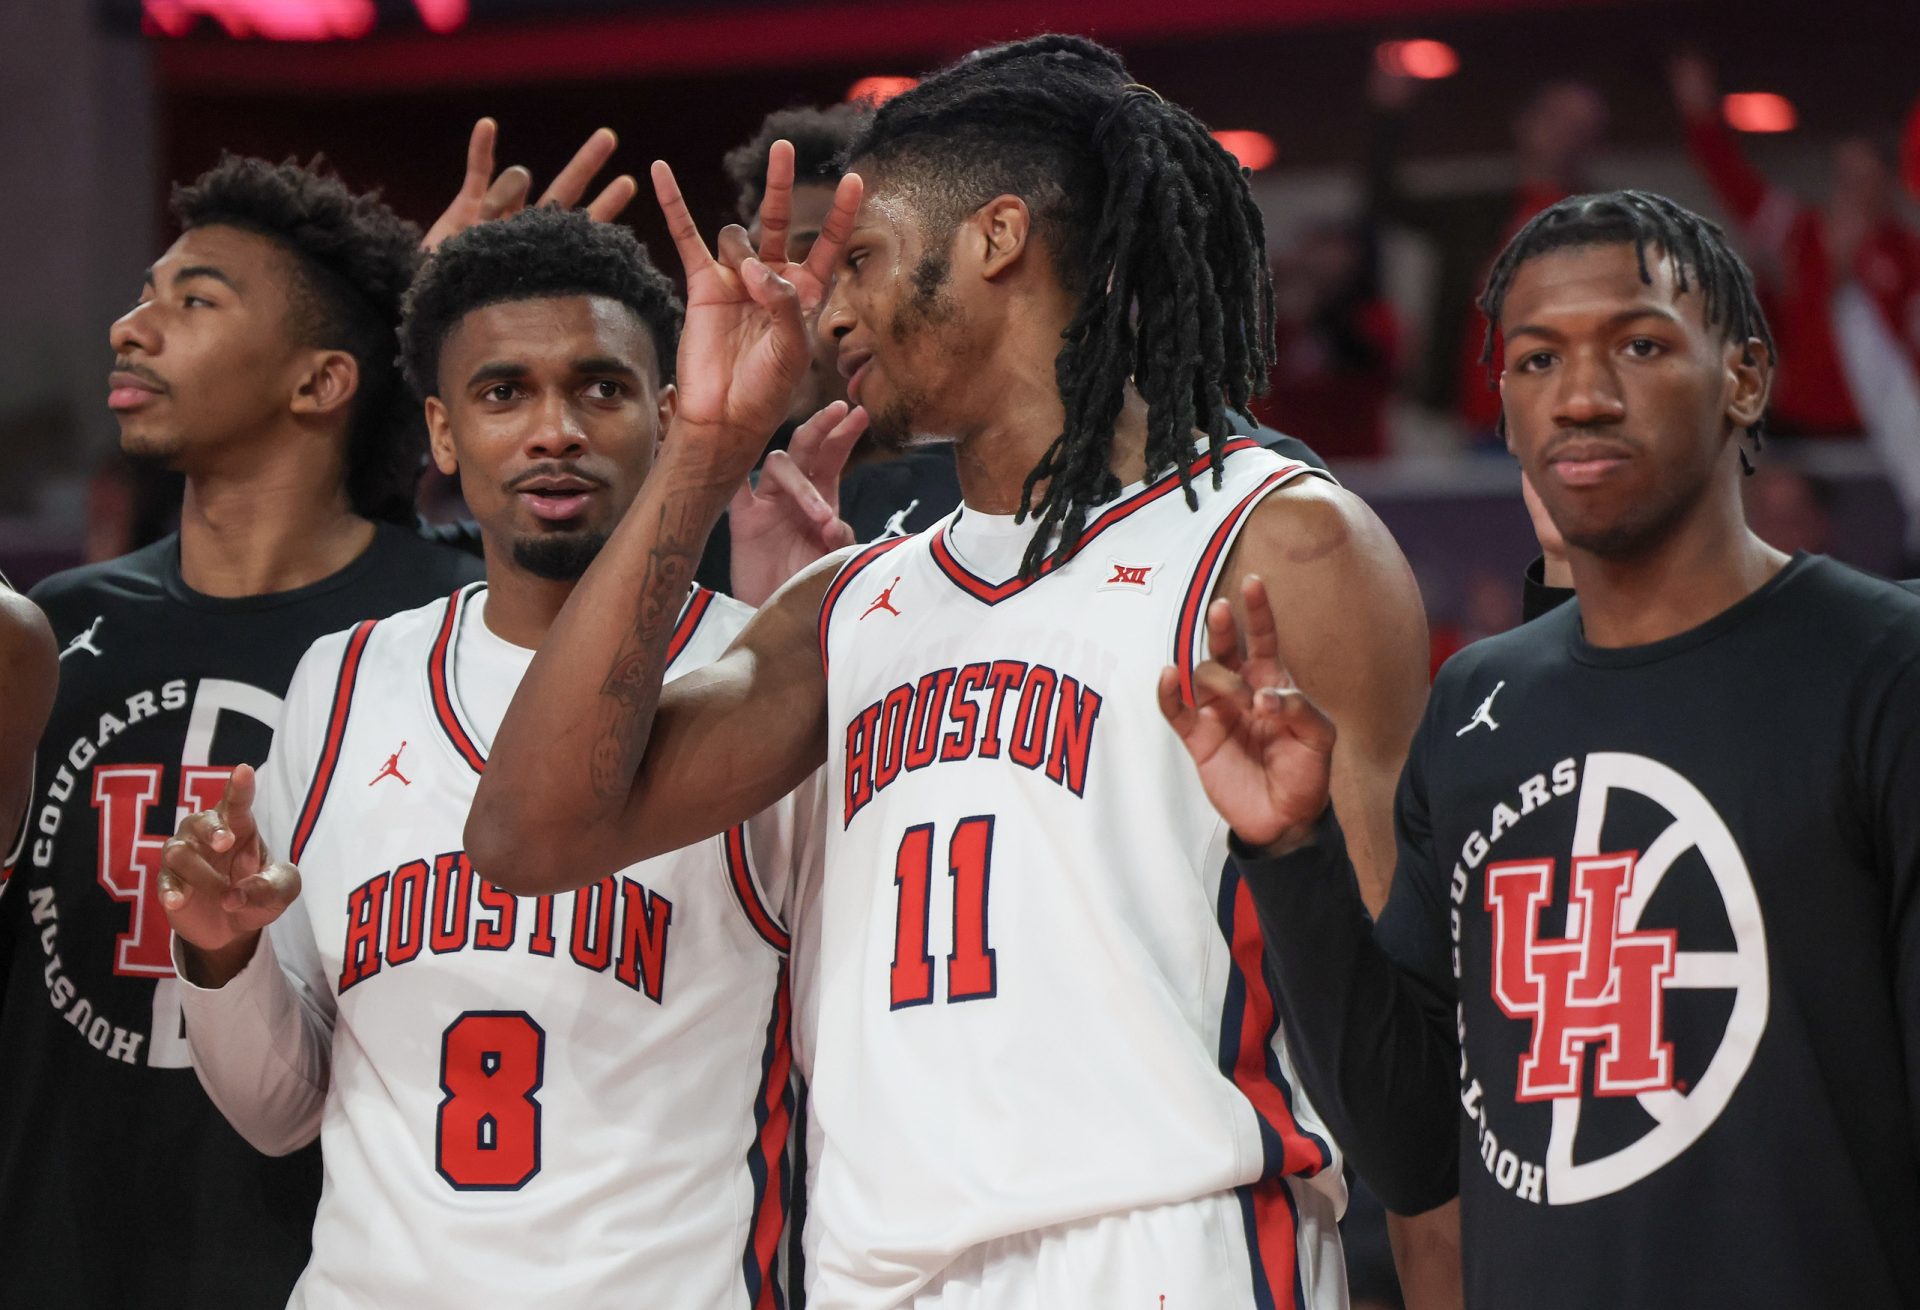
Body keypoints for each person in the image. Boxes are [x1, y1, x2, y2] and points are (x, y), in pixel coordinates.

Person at [468, 34, 1434, 1309]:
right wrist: (701, 448)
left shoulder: (1276, 542)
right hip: (877, 1267)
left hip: (1165, 1246)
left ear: (996, 238)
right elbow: (527, 832)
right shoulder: (856, 600)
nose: (830, 310)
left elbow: (1413, 1072)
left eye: (860, 259)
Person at [1175, 190, 1920, 1306]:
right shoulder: (1482, 699)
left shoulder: (1887, 665)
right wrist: (1292, 850)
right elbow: (1415, 1145)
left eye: (1639, 343)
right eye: (1534, 360)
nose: (1580, 395)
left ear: (1745, 378)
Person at [159, 206, 843, 1307]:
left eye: (601, 388)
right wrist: (220, 959)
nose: (554, 429)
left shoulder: (762, 680)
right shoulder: (342, 681)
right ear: (440, 432)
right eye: (503, 391)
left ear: (673, 416)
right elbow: (279, 1111)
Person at [0, 155, 485, 1310]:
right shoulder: (46, 637)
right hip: (60, 1254)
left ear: (321, 382)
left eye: (193, 300)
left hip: (337, 1266)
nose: (131, 327)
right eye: (144, 293)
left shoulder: (451, 629)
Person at [702, 103, 965, 601]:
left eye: (812, 259)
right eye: (755, 268)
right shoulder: (716, 512)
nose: (769, 294)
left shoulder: (989, 487)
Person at [1670, 54, 1920, 435]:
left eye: (1862, 180)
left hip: (1879, 429)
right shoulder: (1799, 230)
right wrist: (1700, 112)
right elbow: (1733, 182)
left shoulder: (1907, 252)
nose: (1849, 192)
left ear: (1886, 184)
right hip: (1799, 422)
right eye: (1843, 177)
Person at [1366, 67, 1607, 433]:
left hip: (1570, 418)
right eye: (1557, 118)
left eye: (1583, 125)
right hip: (1475, 419)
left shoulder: (1607, 223)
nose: (1567, 134)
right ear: (1525, 124)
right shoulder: (1478, 212)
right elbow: (1386, 202)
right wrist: (1388, 115)